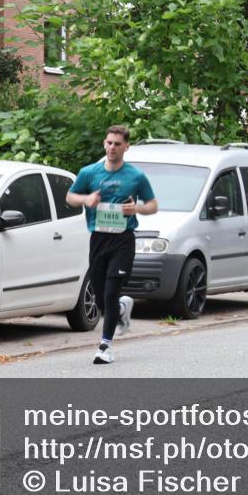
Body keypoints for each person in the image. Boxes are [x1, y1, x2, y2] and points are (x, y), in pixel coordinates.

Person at [67, 125, 158, 364]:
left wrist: (136, 208)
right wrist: (86, 199)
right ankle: (120, 308)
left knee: (110, 291)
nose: (112, 148)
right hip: (98, 238)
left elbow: (153, 205)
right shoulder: (89, 172)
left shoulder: (135, 176)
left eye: (117, 144)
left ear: (126, 146)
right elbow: (70, 197)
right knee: (99, 299)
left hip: (123, 240)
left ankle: (105, 347)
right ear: (104, 144)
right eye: (109, 143)